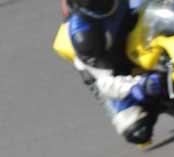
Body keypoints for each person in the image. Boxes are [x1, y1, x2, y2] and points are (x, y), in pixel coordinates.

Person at [63, 0, 167, 145]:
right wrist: (137, 86)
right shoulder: (82, 34)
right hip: (108, 69)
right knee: (137, 131)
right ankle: (159, 98)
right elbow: (105, 82)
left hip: (136, 33)